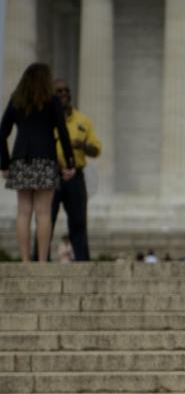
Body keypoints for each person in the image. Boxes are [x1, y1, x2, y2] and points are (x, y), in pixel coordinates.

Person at [0, 63, 76, 262]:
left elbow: (2, 133)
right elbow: (63, 132)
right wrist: (70, 162)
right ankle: (41, 261)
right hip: (45, 158)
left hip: (21, 159)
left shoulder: (16, 100)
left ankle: (25, 260)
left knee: (23, 212)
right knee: (43, 213)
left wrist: (4, 163)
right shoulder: (52, 101)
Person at [50, 78, 100, 261]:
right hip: (52, 175)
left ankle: (83, 263)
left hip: (75, 176)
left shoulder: (83, 120)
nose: (64, 94)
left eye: (66, 90)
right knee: (46, 221)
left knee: (79, 224)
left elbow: (96, 149)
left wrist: (83, 145)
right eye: (59, 91)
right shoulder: (47, 120)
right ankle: (38, 261)